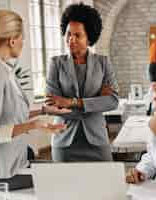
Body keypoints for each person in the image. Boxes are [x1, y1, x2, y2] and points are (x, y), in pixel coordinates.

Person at [0, 10, 68, 190]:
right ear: (12, 40)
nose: (24, 43)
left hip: (12, 164)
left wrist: (44, 110)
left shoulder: (2, 69)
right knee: (61, 183)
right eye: (23, 38)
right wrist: (34, 125)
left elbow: (10, 113)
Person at [45, 3, 119, 162]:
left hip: (97, 139)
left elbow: (112, 101)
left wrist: (70, 102)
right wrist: (97, 101)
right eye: (68, 34)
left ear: (89, 38)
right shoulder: (56, 64)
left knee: (105, 184)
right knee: (65, 186)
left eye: (78, 35)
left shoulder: (103, 63)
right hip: (64, 140)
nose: (71, 39)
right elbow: (52, 107)